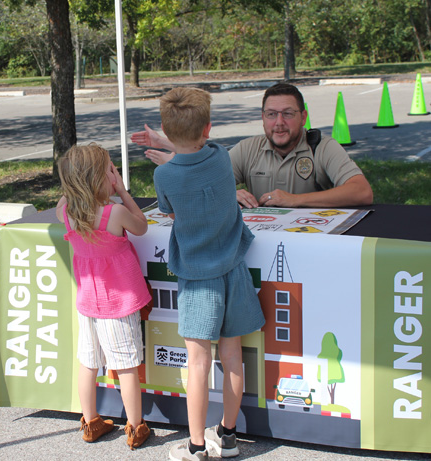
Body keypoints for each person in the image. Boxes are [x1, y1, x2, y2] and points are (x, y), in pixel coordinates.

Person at [152, 88, 265, 461]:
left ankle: (196, 445)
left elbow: (169, 208)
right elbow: (199, 155)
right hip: (234, 270)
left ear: (167, 134)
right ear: (209, 129)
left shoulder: (163, 175)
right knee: (233, 356)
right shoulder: (219, 156)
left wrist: (166, 150)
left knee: (198, 364)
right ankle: (228, 436)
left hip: (199, 279)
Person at [132, 82, 374, 209]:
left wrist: (295, 200)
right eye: (271, 114)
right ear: (262, 117)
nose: (279, 123)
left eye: (288, 114)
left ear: (304, 117)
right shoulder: (249, 148)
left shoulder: (322, 146)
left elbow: (362, 192)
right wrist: (228, 193)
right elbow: (204, 172)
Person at [55, 144, 152, 450]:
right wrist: (122, 191)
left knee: (88, 362)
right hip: (118, 303)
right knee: (125, 367)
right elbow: (142, 226)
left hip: (88, 304)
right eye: (110, 169)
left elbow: (67, 199)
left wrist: (76, 188)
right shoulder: (115, 213)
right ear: (102, 178)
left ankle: (91, 422)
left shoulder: (67, 212)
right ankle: (135, 427)